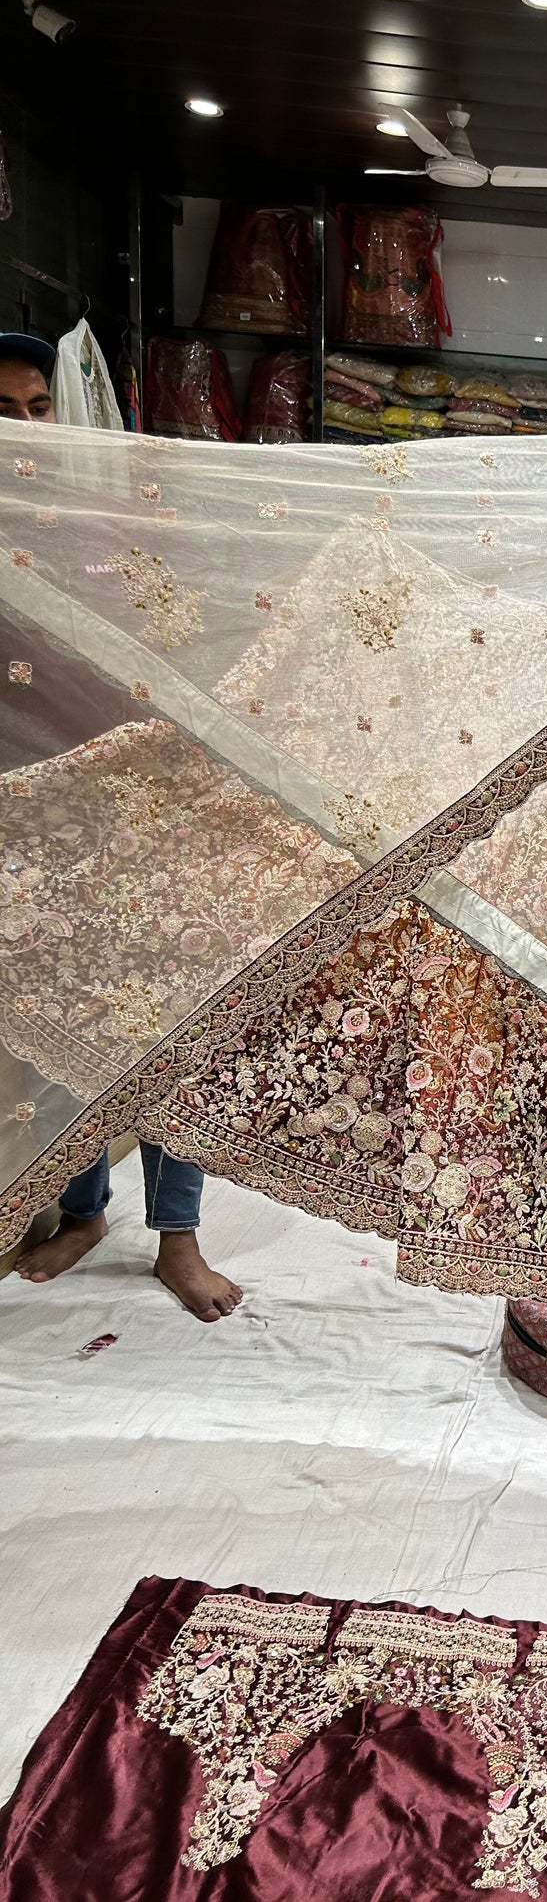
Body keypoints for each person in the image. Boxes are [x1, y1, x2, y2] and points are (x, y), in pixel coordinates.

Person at [1, 332, 241, 1321]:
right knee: (50, 1030)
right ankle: (83, 1207)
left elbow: (188, 637)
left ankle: (176, 1239)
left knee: (165, 1025)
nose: (23, 429)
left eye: (38, 406)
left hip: (138, 807)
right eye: (5, 412)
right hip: (26, 815)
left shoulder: (111, 516)